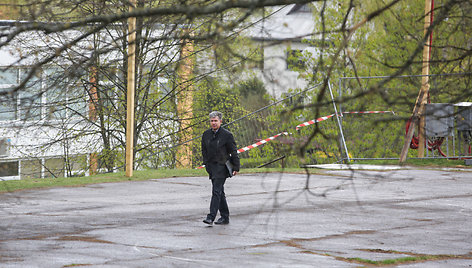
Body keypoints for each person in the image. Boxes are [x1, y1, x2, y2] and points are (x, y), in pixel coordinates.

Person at [201, 111, 240, 225]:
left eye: (215, 121)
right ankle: (225, 216)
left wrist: (236, 167)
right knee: (220, 192)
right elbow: (204, 150)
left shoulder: (227, 135)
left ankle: (211, 217)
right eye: (212, 121)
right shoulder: (206, 134)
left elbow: (233, 152)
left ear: (220, 121)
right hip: (211, 167)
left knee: (216, 191)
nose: (213, 123)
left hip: (222, 166)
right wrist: (206, 164)